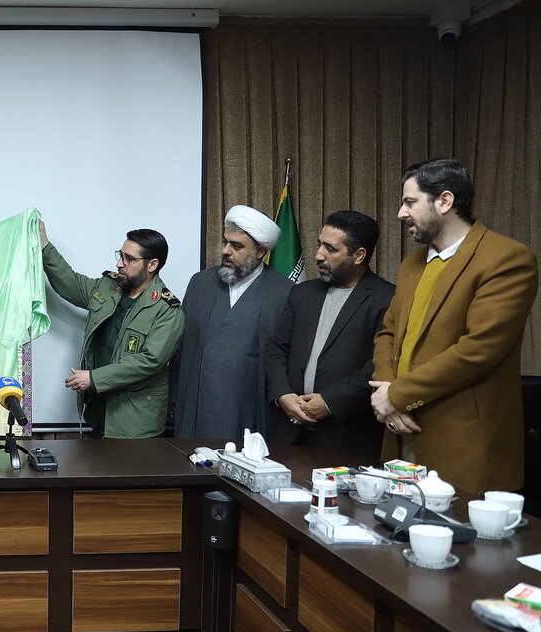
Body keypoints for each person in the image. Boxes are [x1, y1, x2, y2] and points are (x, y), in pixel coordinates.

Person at [371, 158, 538, 493]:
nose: (401, 213)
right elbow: (388, 333)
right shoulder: (411, 265)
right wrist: (386, 394)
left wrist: (398, 395)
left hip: (462, 443)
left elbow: (479, 350)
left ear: (444, 201)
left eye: (410, 202)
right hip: (400, 432)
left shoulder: (507, 259)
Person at [264, 211, 395, 459]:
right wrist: (283, 395)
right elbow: (276, 349)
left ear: (359, 255)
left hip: (346, 438)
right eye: (319, 244)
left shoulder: (387, 299)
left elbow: (378, 365)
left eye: (330, 249)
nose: (318, 255)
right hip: (289, 432)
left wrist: (329, 402)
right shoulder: (301, 293)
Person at [40, 221, 184, 438]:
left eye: (129, 259)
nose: (119, 263)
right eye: (120, 255)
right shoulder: (108, 287)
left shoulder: (167, 310)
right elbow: (70, 283)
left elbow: (149, 362)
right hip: (98, 412)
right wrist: (44, 245)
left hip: (134, 423)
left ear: (152, 265)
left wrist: (94, 378)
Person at [171, 205, 293, 441]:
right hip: (197, 407)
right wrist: (175, 398)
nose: (225, 251)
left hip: (251, 411)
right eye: (225, 242)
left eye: (237, 246)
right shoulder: (200, 284)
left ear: (260, 251)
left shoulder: (284, 292)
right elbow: (180, 349)